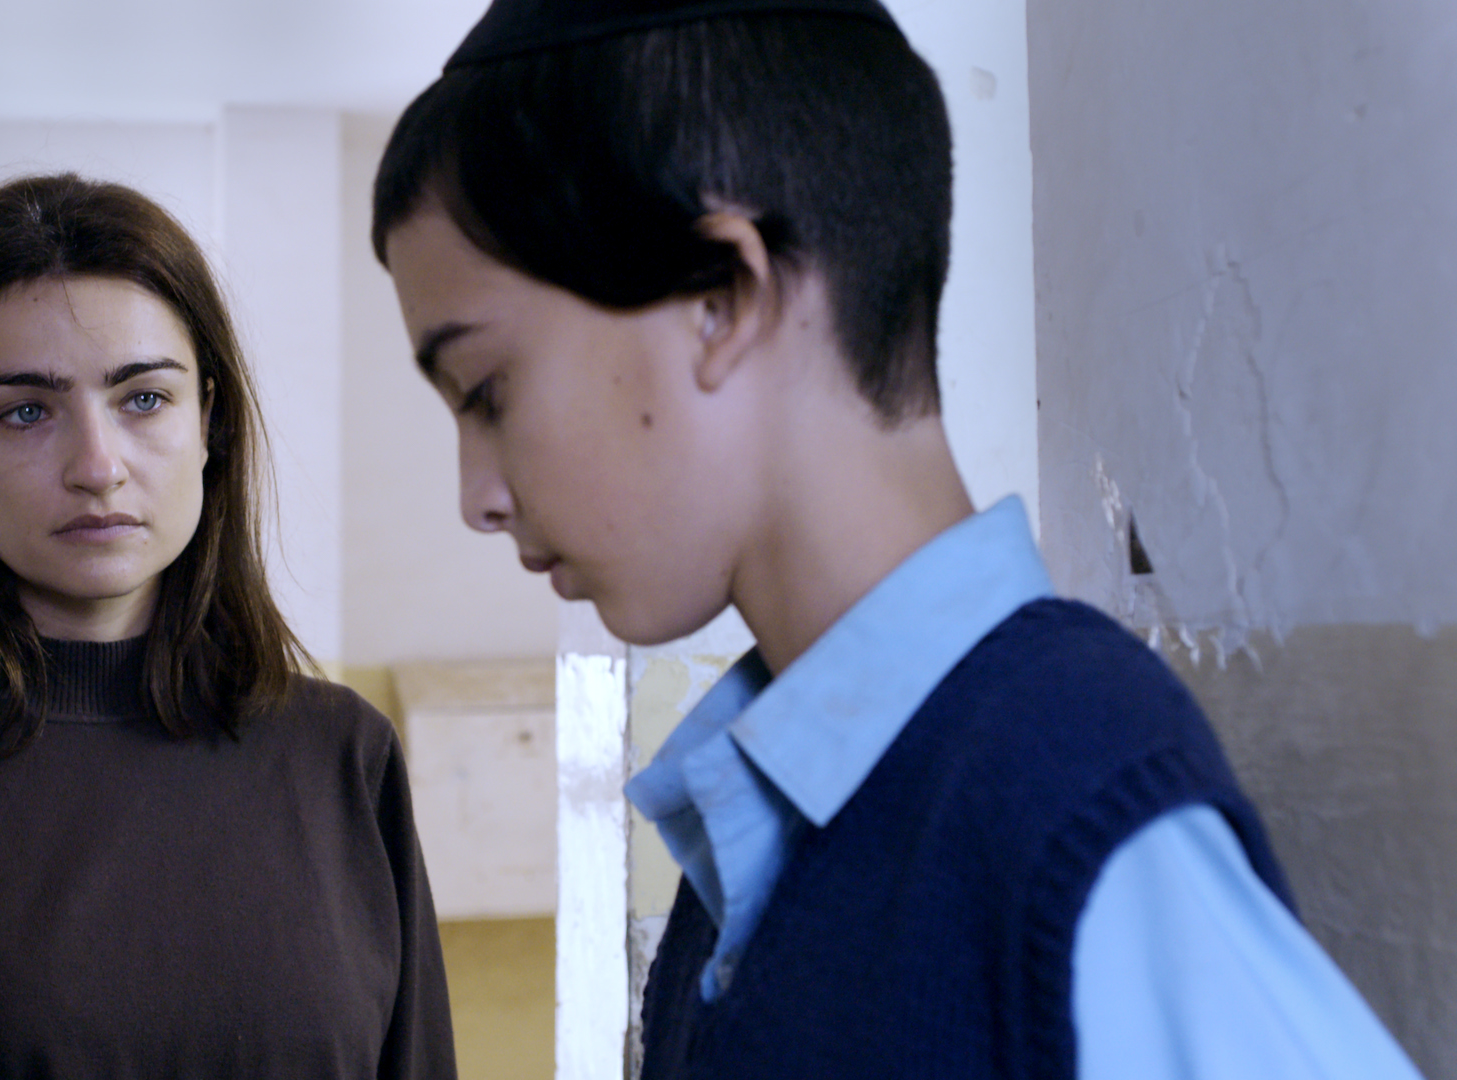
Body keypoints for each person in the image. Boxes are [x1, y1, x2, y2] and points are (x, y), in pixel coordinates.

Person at [372, 1, 1423, 1077]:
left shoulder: (1065, 811)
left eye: (486, 390)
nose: (476, 497)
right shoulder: (763, 818)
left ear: (722, 296)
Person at [0, 173, 455, 1079]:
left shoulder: (344, 756)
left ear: (209, 420)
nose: (97, 466)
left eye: (143, 398)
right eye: (26, 411)